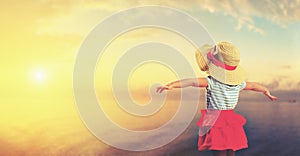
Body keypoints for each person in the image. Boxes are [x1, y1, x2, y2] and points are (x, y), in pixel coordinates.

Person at [156, 42, 277, 156]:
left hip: (216, 120)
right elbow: (254, 86)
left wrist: (172, 84)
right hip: (231, 120)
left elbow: (192, 81)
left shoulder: (212, 82)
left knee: (219, 151)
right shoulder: (238, 84)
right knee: (231, 149)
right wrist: (266, 91)